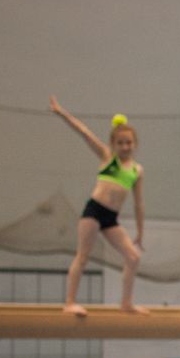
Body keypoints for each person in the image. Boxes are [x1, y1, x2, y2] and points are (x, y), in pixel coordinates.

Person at [49, 95, 146, 316]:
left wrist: (140, 233)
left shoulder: (137, 170)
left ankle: (126, 303)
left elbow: (139, 204)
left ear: (135, 144)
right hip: (94, 211)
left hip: (111, 218)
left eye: (129, 142)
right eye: (120, 143)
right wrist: (61, 112)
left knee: (133, 257)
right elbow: (84, 132)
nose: (125, 146)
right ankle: (70, 302)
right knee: (83, 256)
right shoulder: (107, 157)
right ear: (113, 144)